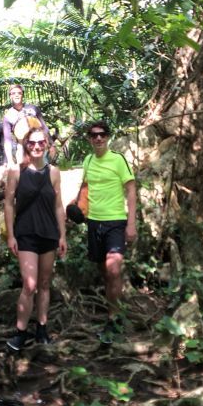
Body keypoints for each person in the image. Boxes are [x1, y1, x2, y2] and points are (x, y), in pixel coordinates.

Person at [4, 128, 67, 351]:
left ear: (48, 144)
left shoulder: (54, 172)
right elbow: (9, 203)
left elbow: (58, 205)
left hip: (49, 233)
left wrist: (62, 235)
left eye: (41, 142)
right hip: (26, 233)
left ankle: (42, 329)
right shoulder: (16, 171)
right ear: (26, 145)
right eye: (32, 143)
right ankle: (20, 332)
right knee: (29, 284)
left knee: (44, 284)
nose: (37, 147)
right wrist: (10, 235)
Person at [82, 120, 137, 344]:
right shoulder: (87, 161)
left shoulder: (118, 160)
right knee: (104, 272)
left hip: (116, 221)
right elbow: (85, 188)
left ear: (108, 137)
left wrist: (131, 223)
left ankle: (113, 319)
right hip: (94, 223)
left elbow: (131, 190)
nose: (98, 138)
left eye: (102, 135)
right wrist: (76, 209)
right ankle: (115, 304)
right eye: (94, 135)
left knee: (114, 269)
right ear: (89, 138)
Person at [2, 84, 52, 169]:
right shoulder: (8, 116)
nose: (16, 95)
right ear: (10, 96)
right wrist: (10, 160)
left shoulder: (33, 108)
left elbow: (44, 127)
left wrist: (51, 144)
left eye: (19, 93)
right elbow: (7, 141)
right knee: (24, 175)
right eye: (13, 93)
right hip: (21, 147)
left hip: (39, 144)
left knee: (43, 171)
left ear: (22, 95)